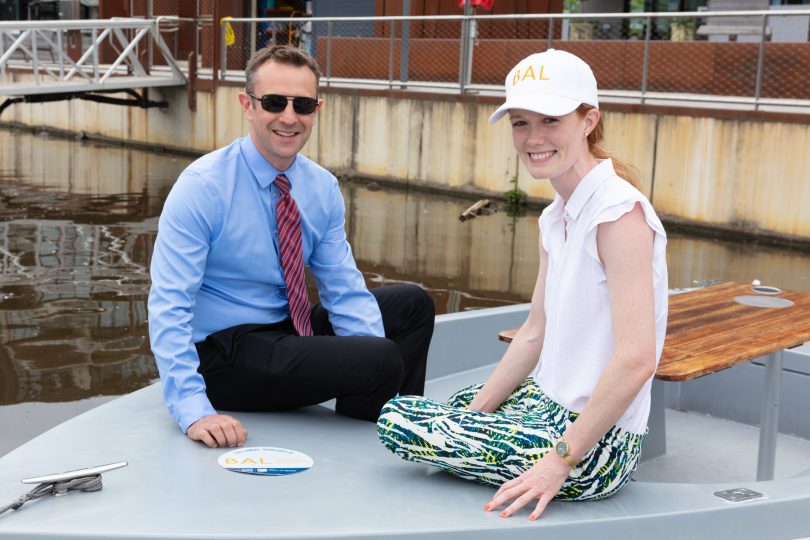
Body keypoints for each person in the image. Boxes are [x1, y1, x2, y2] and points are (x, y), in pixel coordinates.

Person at [377, 49, 668, 521]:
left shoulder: (618, 215)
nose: (532, 138)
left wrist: (557, 464)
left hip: (598, 444)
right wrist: (473, 415)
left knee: (397, 420)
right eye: (519, 122)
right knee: (447, 408)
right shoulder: (556, 216)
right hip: (543, 401)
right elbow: (535, 330)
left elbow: (636, 359)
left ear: (589, 120)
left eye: (550, 120)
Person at [149, 45, 435, 449]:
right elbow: (169, 302)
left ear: (316, 109)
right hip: (223, 353)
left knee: (411, 305)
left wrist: (369, 350)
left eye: (302, 104)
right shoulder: (203, 187)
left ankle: (376, 421)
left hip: (285, 332)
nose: (289, 117)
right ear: (247, 106)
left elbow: (343, 288)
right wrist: (194, 409)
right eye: (273, 102)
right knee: (381, 358)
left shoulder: (320, 188)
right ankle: (385, 416)